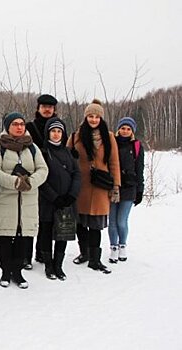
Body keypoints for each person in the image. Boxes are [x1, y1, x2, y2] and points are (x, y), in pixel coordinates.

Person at [0, 112, 48, 289]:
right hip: (5, 199)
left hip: (27, 201)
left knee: (23, 238)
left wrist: (29, 183)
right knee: (6, 236)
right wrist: (15, 182)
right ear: (8, 126)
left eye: (22, 124)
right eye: (15, 124)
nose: (20, 127)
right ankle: (6, 272)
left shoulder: (32, 148)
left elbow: (43, 170)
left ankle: (18, 272)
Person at [67, 99, 120, 274]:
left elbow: (114, 162)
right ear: (86, 117)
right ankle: (85, 253)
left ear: (101, 118)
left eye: (97, 116)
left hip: (100, 186)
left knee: (96, 224)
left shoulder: (109, 136)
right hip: (80, 185)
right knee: (81, 223)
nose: (94, 119)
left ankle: (95, 260)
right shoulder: (76, 136)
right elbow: (66, 159)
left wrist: (116, 186)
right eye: (90, 116)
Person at [38, 117, 81, 280]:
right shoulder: (42, 152)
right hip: (49, 201)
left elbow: (77, 174)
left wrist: (71, 195)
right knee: (46, 233)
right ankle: (49, 265)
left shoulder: (68, 152)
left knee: (64, 232)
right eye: (53, 131)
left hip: (67, 201)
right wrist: (54, 197)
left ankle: (58, 265)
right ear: (48, 133)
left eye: (59, 131)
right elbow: (41, 179)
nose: (56, 134)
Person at [25, 94, 59, 269]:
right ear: (38, 108)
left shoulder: (58, 127)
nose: (47, 109)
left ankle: (42, 252)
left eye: (50, 107)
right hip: (33, 177)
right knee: (29, 219)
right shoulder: (29, 127)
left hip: (53, 180)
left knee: (47, 220)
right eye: (44, 106)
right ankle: (26, 256)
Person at [108, 117, 144, 263]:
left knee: (122, 221)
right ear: (118, 129)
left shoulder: (136, 146)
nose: (125, 131)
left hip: (129, 188)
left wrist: (140, 189)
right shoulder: (112, 143)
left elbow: (140, 169)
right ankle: (113, 248)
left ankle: (122, 245)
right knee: (112, 222)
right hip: (113, 187)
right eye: (123, 128)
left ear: (132, 131)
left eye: (128, 129)